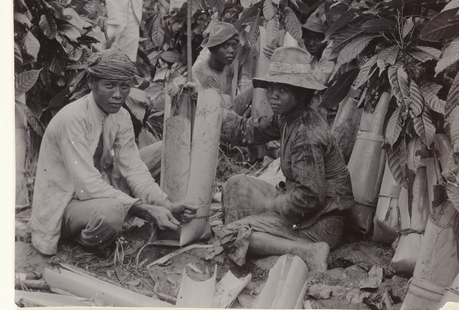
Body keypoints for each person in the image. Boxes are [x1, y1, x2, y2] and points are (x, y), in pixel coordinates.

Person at [30, 49, 197, 257]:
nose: (118, 95)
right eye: (109, 86)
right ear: (91, 82)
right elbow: (87, 186)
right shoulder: (73, 119)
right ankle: (83, 238)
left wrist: (165, 204)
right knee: (112, 213)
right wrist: (145, 210)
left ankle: (154, 216)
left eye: (124, 86)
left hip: (101, 189)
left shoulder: (121, 117)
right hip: (67, 203)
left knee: (164, 150)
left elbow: (134, 169)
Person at [214, 46, 354, 272]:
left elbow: (309, 197)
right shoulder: (287, 117)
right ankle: (257, 244)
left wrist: (271, 204)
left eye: (283, 89)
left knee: (230, 234)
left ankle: (307, 251)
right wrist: (214, 110)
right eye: (271, 87)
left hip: (320, 221)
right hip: (306, 210)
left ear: (300, 94)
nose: (273, 95)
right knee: (235, 184)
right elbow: (250, 130)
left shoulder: (307, 133)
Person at [192, 21, 253, 116]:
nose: (231, 51)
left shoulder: (228, 65)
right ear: (212, 49)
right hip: (210, 117)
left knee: (256, 86)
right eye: (224, 46)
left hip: (228, 109)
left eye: (234, 46)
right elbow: (216, 107)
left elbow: (230, 100)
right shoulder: (201, 71)